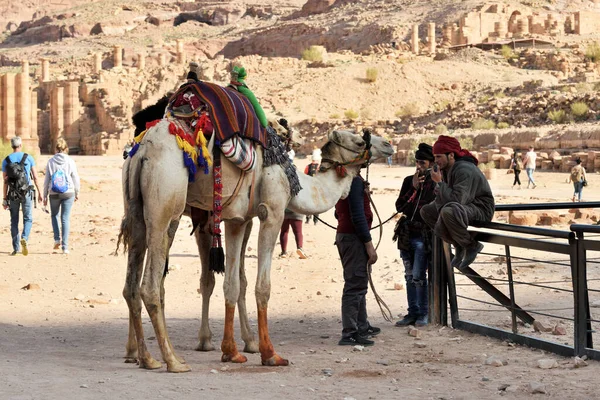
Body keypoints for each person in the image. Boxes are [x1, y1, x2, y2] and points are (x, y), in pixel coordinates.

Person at [420, 135, 495, 270]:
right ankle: (458, 244)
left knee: (448, 211)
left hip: (480, 209)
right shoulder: (447, 169)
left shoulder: (464, 169)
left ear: (451, 155)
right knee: (426, 211)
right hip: (462, 207)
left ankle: (471, 245)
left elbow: (457, 200)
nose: (436, 161)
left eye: (439, 157)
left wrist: (439, 183)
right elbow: (443, 199)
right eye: (435, 157)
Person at [335, 169, 380, 346]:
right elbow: (357, 215)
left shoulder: (345, 180)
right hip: (354, 238)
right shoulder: (354, 181)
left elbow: (338, 213)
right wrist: (369, 245)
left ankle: (361, 326)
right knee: (355, 284)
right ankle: (350, 333)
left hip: (347, 236)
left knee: (359, 283)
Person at [394, 143, 437, 327]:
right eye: (417, 162)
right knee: (409, 276)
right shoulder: (408, 181)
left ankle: (424, 313)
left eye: (423, 163)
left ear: (431, 163)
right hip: (406, 234)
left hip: (423, 235)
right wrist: (412, 188)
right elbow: (400, 207)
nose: (420, 166)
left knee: (419, 276)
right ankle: (412, 312)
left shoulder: (436, 183)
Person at [2, 136, 43, 256]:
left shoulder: (6, 160)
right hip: (27, 192)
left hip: (13, 193)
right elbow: (35, 177)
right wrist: (40, 192)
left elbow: (5, 181)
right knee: (28, 218)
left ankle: (16, 248)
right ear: (20, 145)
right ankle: (24, 237)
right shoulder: (28, 157)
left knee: (14, 220)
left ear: (11, 146)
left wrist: (4, 198)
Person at [43, 137, 81, 254]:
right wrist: (77, 191)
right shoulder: (70, 161)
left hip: (54, 192)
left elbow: (47, 180)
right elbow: (75, 177)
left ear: (56, 148)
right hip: (68, 192)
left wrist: (44, 195)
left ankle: (56, 239)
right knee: (65, 218)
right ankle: (65, 247)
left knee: (54, 215)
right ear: (66, 148)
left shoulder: (50, 161)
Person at [304, 148, 321, 225]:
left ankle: (308, 219)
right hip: (317, 188)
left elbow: (305, 176)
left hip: (309, 188)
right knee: (317, 205)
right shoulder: (320, 167)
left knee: (309, 204)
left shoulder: (308, 166)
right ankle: (316, 221)